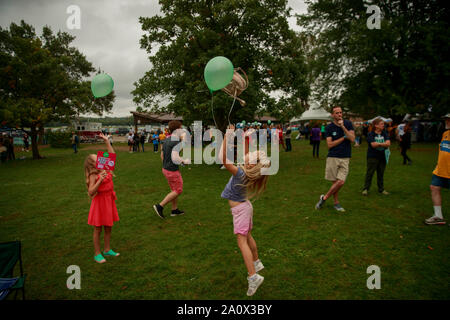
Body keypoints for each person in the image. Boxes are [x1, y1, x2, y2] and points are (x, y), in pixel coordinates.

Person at [220, 124, 270, 296]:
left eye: (251, 155)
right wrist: (245, 139)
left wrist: (227, 136)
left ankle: (253, 276)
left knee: (241, 242)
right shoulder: (248, 172)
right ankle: (256, 262)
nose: (247, 154)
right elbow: (247, 155)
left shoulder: (241, 173)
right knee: (247, 236)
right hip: (245, 208)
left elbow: (224, 160)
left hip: (241, 210)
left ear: (251, 163)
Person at [84, 133, 120, 264]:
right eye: (97, 158)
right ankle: (97, 253)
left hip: (109, 200)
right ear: (92, 164)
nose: (100, 158)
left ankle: (107, 249)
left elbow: (112, 155)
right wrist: (100, 180)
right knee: (98, 228)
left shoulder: (106, 168)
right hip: (99, 203)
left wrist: (106, 141)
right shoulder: (94, 174)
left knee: (109, 227)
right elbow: (91, 191)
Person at [315, 106, 355, 212]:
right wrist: (342, 138)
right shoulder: (329, 128)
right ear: (333, 115)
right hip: (333, 157)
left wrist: (343, 127)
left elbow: (352, 139)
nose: (339, 114)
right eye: (337, 113)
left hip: (345, 156)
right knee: (335, 183)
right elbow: (330, 144)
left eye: (341, 112)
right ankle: (336, 203)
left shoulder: (348, 124)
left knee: (341, 181)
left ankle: (324, 198)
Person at [153, 121, 189, 219]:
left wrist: (166, 164)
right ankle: (160, 206)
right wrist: (184, 161)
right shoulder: (176, 141)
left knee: (174, 190)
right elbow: (176, 157)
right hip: (172, 171)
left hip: (166, 169)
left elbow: (162, 155)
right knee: (178, 190)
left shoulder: (167, 140)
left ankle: (174, 210)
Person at [424, 114, 450, 225]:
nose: (447, 121)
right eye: (446, 119)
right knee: (434, 187)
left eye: (449, 120)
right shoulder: (445, 133)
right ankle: (438, 216)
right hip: (440, 169)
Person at [362, 118, 390, 196]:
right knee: (370, 173)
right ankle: (366, 189)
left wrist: (379, 144)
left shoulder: (385, 133)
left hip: (382, 156)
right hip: (372, 156)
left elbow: (388, 143)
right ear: (376, 125)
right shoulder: (371, 134)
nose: (383, 125)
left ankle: (381, 189)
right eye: (381, 124)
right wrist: (383, 144)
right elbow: (373, 145)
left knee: (381, 173)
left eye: (383, 124)